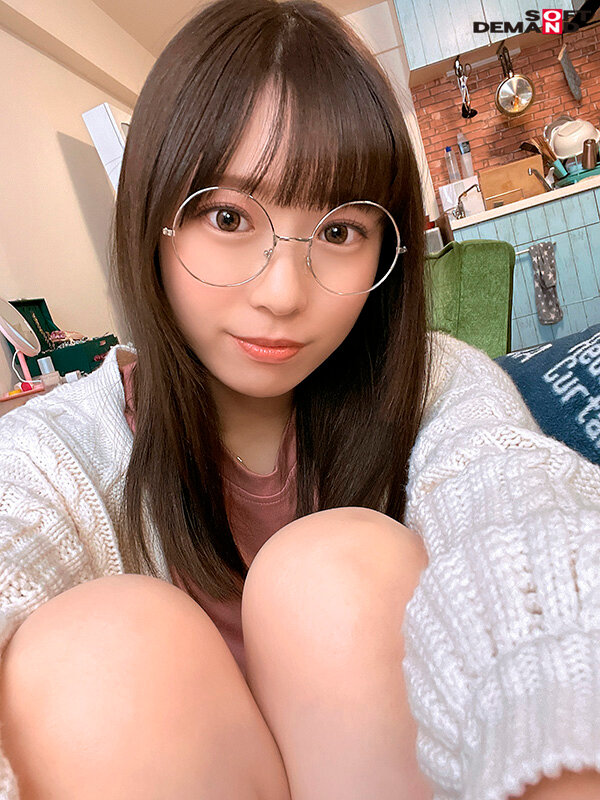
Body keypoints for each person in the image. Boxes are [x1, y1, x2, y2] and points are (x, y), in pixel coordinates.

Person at [1, 1, 600, 798]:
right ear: (152, 219)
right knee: (89, 648)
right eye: (227, 216)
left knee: (333, 570)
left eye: (341, 231)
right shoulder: (63, 449)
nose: (282, 293)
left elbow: (514, 508)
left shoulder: (436, 384)